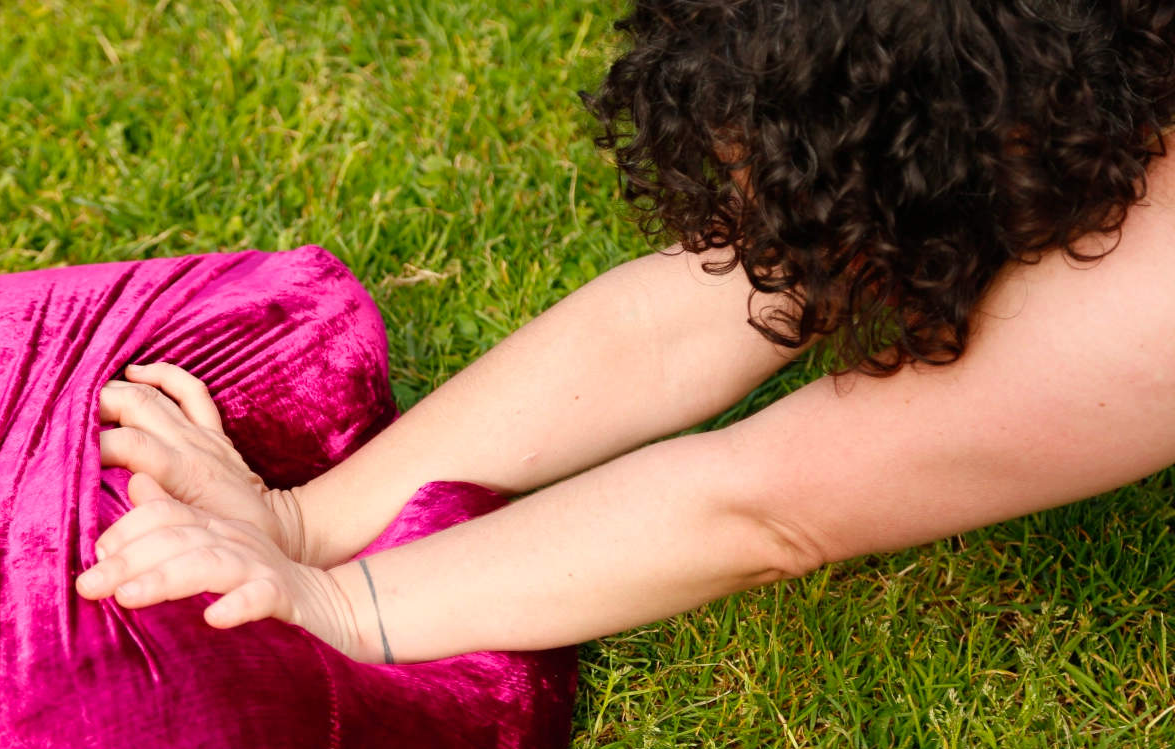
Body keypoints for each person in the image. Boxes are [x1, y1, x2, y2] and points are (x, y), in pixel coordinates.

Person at [76, 0, 1175, 665]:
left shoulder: (1146, 305)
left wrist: (346, 605)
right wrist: (305, 518)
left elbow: (768, 505)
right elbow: (691, 315)